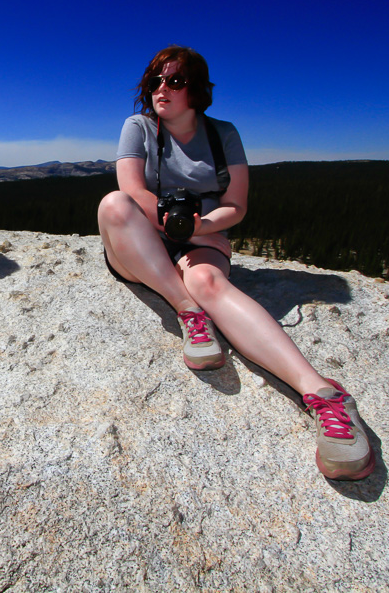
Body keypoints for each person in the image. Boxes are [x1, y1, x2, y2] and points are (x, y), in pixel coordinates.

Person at [97, 45, 374, 480]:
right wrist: (169, 224)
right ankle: (188, 311)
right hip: (142, 238)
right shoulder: (139, 127)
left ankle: (323, 394)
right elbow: (131, 189)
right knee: (113, 205)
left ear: (197, 91)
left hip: (202, 233)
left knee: (208, 280)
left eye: (174, 81)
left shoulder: (222, 134)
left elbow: (237, 206)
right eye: (155, 81)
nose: (161, 90)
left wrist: (197, 227)